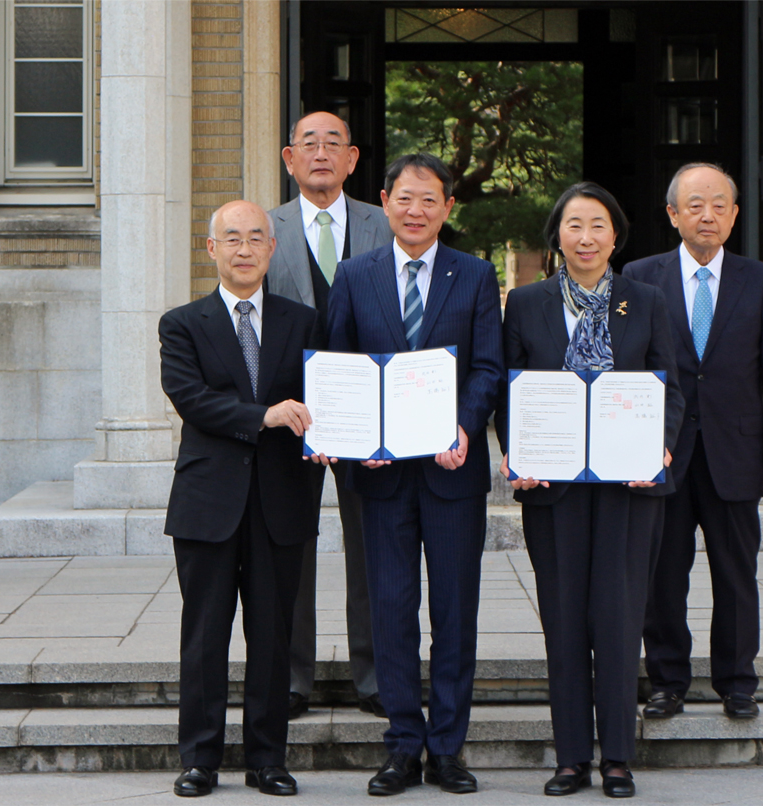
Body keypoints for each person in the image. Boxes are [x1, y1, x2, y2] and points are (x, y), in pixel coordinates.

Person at [319, 153, 504, 796]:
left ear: (447, 208)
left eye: (430, 200)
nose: (417, 210)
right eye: (406, 198)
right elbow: (339, 366)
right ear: (384, 200)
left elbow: (488, 366)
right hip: (381, 476)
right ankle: (402, 744)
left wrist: (465, 424)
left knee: (455, 612)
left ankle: (448, 747)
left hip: (453, 472)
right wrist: (351, 438)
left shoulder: (476, 275)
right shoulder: (355, 273)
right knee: (392, 610)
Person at [496, 182, 685, 798]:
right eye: (574, 225)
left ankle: (619, 759)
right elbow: (509, 392)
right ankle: (571, 757)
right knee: (564, 620)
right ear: (558, 235)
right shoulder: (525, 303)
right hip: (553, 489)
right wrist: (514, 452)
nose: (586, 237)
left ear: (615, 234)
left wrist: (660, 443)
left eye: (597, 225)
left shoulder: (647, 300)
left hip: (627, 487)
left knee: (619, 616)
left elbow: (671, 388)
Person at [160, 200, 324, 797]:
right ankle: (200, 759)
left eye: (257, 237)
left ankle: (267, 761)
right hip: (208, 502)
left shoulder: (303, 321)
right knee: (204, 635)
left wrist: (336, 434)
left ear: (272, 248)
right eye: (232, 238)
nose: (245, 248)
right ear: (212, 249)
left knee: (273, 637)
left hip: (282, 502)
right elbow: (193, 400)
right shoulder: (182, 323)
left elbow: (323, 399)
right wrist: (266, 416)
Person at [624, 163, 763, 722]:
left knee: (735, 574)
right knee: (662, 574)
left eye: (720, 205)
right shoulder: (640, 276)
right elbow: (630, 369)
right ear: (673, 214)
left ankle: (737, 682)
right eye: (695, 205)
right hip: (664, 453)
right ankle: (668, 680)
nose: (708, 215)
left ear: (735, 214)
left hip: (736, 452)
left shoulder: (760, 279)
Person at [267, 111, 394, 721]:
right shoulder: (263, 229)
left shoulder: (384, 223)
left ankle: (374, 678)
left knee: (371, 547)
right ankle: (293, 678)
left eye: (333, 144)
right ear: (289, 160)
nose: (321, 153)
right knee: (291, 544)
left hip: (366, 415)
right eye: (308, 144)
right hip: (291, 414)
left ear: (353, 159)